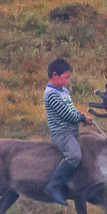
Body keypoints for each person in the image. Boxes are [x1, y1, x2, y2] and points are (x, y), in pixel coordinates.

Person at [43, 57, 89, 205]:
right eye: (65, 78)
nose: (67, 81)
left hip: (72, 131)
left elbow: (71, 109)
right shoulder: (51, 94)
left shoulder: (63, 91)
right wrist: (81, 118)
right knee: (74, 156)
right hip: (62, 134)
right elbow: (66, 114)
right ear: (55, 75)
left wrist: (81, 116)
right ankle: (53, 186)